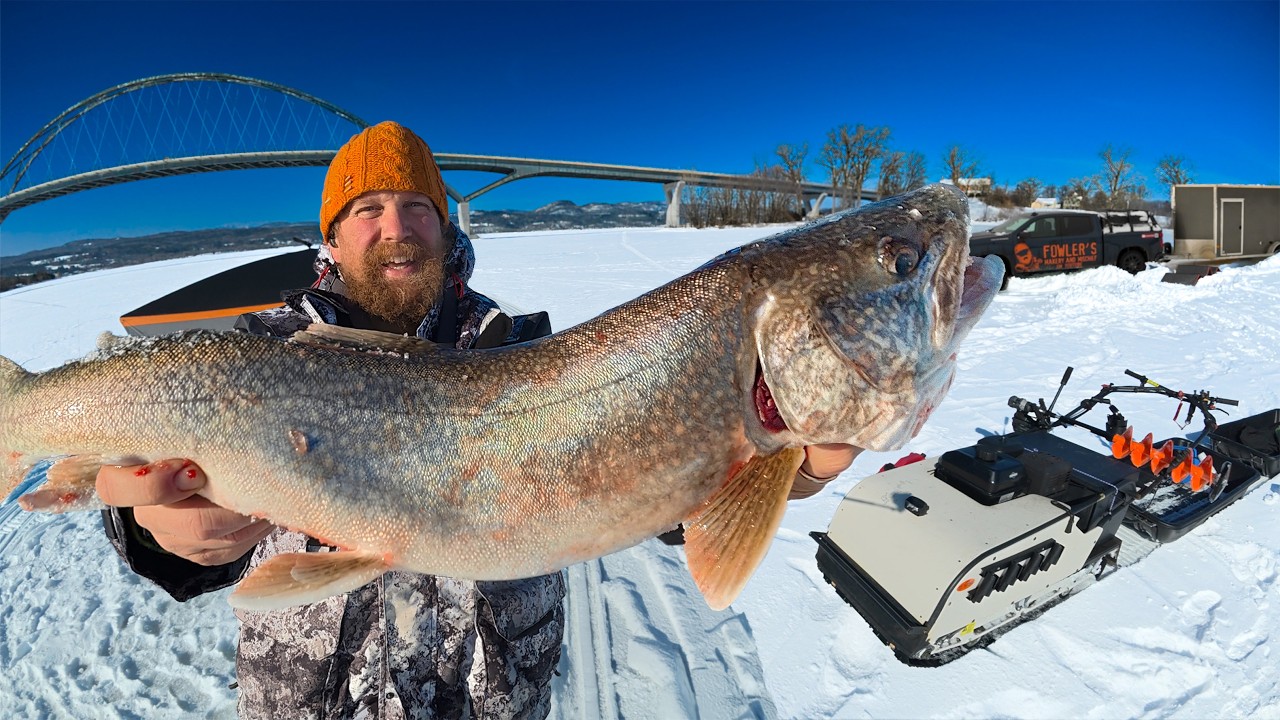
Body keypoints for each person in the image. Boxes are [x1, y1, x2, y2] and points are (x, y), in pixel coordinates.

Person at [95, 121, 857, 719]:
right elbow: (159, 515)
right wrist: (158, 529)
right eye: (367, 209)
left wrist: (772, 467)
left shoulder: (526, 354)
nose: (395, 227)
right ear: (331, 237)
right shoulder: (255, 356)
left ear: (445, 227)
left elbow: (653, 497)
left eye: (417, 207)